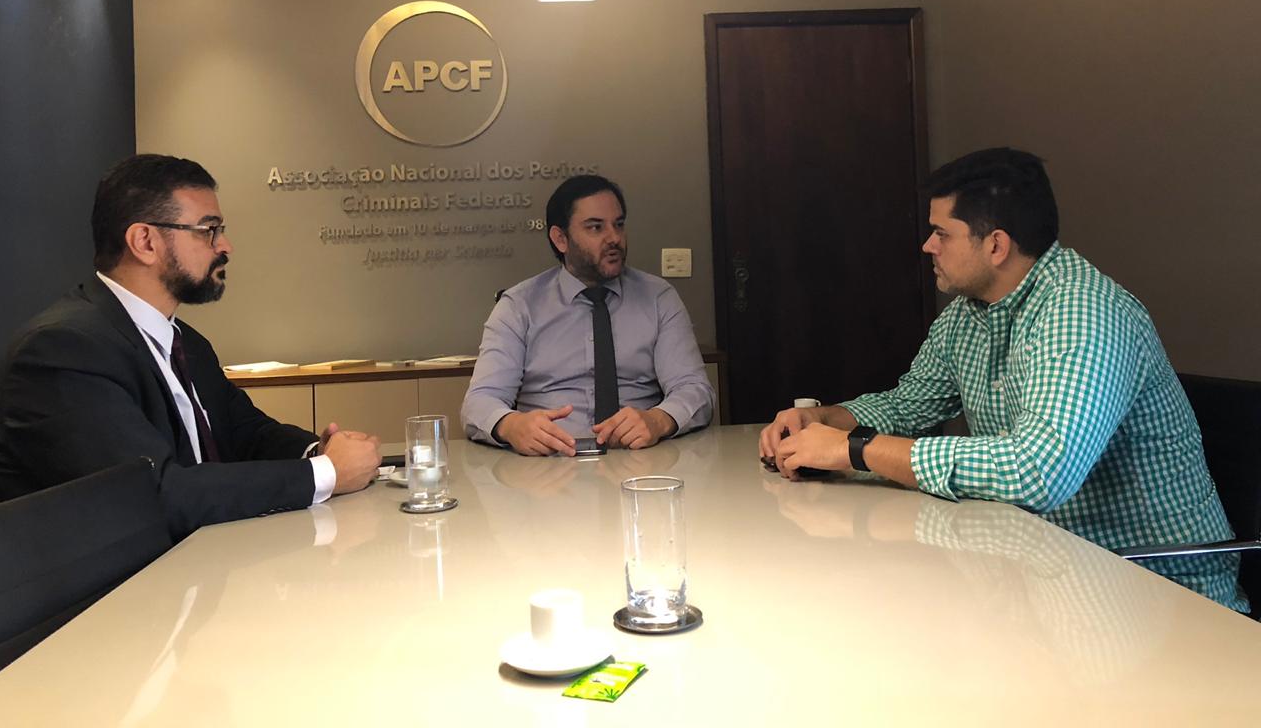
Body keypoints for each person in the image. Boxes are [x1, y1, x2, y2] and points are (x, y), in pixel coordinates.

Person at [759, 147, 1246, 610]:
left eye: (941, 233)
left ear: (995, 244)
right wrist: (827, 419)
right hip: (1048, 571)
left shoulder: (1083, 313)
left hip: (1155, 591)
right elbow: (910, 405)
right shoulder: (968, 315)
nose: (927, 245)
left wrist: (855, 448)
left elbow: (1038, 472)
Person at [0, 154, 382, 539]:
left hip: (187, 576)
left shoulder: (185, 341)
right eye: (209, 230)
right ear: (145, 241)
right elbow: (152, 494)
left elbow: (246, 434)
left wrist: (316, 451)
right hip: (102, 601)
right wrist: (327, 473)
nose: (225, 246)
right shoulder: (61, 351)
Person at [462, 174, 714, 455]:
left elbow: (696, 392)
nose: (614, 238)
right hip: (548, 471)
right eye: (595, 227)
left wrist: (658, 420)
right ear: (560, 239)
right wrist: (511, 425)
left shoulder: (658, 298)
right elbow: (480, 401)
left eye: (618, 225)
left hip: (641, 465)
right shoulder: (518, 306)